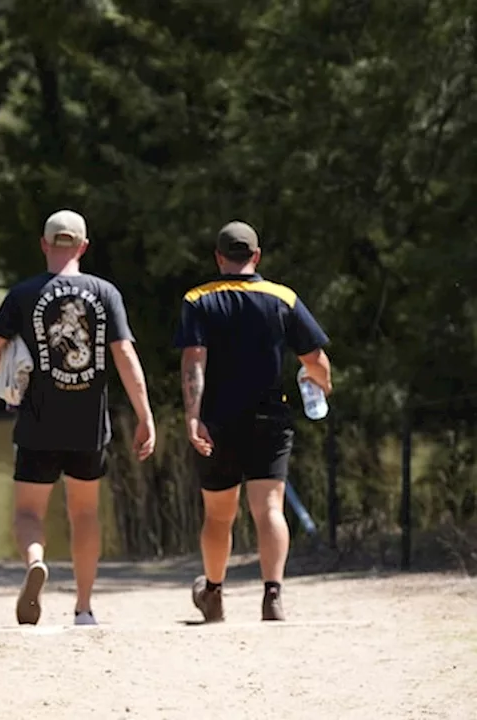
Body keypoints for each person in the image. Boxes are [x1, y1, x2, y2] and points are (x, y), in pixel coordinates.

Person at [0, 209, 156, 627]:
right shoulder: (105, 293)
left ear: (44, 244)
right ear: (83, 246)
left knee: (27, 514)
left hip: (38, 422)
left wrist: (12, 374)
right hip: (89, 426)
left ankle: (36, 562)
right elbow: (125, 356)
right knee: (85, 515)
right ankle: (84, 608)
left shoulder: (22, 295)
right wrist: (145, 415)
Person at [174, 221, 332, 623]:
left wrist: (193, 417)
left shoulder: (198, 300)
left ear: (219, 258)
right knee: (270, 508)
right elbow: (315, 360)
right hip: (270, 418)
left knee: (219, 514)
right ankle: (272, 595)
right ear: (256, 256)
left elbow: (194, 360)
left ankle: (213, 593)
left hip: (218, 419)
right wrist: (321, 386)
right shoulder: (282, 298)